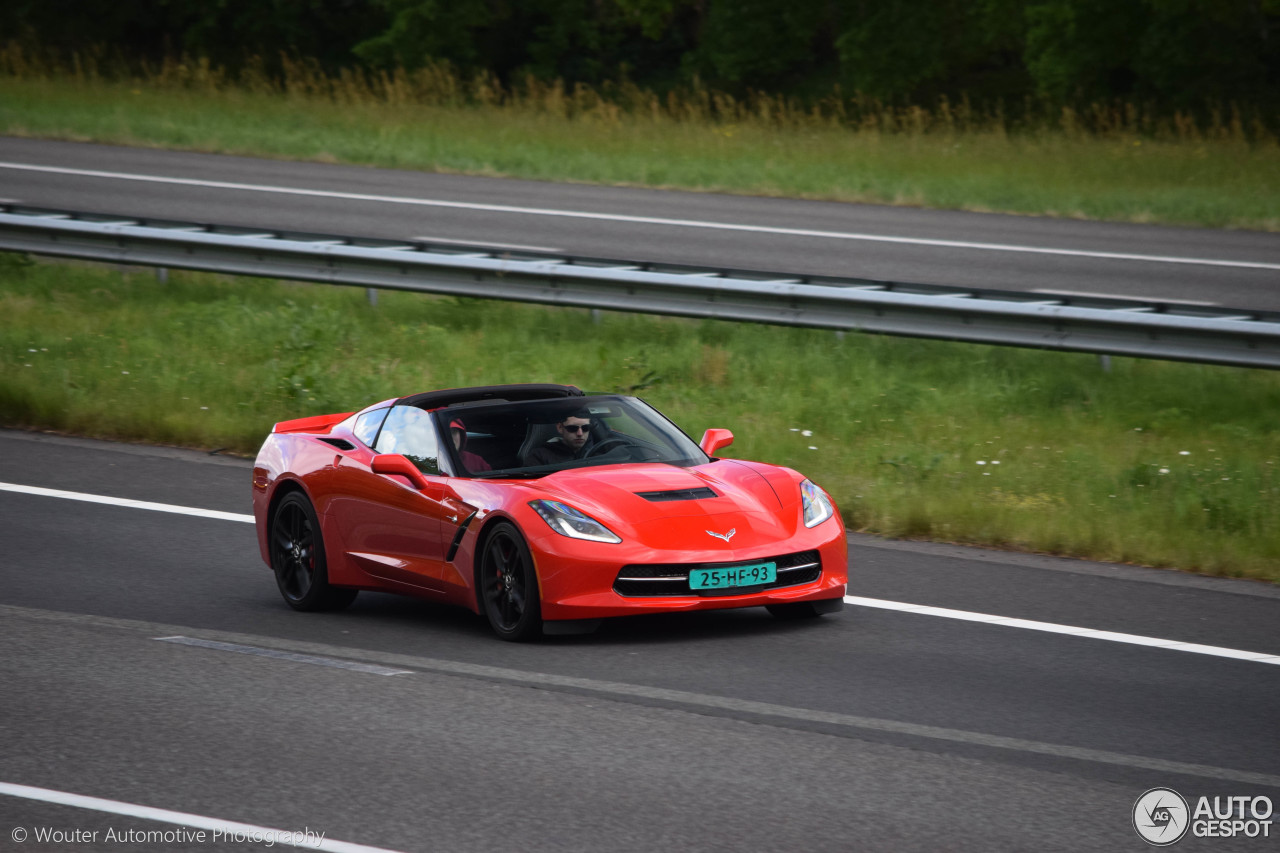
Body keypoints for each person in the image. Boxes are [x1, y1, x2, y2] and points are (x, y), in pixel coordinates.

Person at [525, 412, 592, 466]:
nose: (580, 433)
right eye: (572, 428)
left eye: (585, 428)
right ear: (560, 428)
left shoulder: (597, 452)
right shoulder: (539, 456)